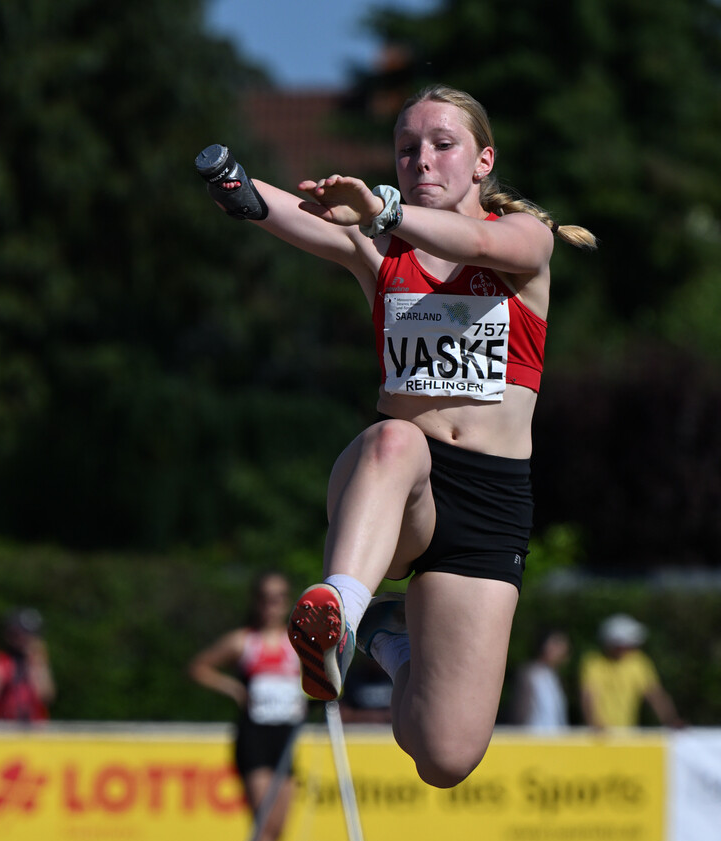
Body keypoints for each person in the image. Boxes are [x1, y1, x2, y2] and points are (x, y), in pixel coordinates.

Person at [197, 84, 595, 788]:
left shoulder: (524, 239)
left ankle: (389, 638)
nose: (423, 160)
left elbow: (478, 241)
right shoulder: (380, 248)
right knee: (397, 439)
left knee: (445, 756)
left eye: (443, 145)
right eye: (407, 149)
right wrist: (230, 180)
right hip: (396, 485)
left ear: (483, 161)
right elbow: (273, 208)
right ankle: (340, 615)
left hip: (490, 504)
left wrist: (384, 209)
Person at [187, 571, 307, 841]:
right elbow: (199, 667)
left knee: (278, 826)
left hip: (286, 737)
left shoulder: (297, 643)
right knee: (263, 820)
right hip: (254, 737)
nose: (272, 605)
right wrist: (235, 689)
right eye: (266, 598)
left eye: (279, 597)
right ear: (256, 602)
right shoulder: (243, 642)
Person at [579, 613, 685, 730]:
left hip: (628, 732)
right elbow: (588, 696)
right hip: (599, 733)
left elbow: (655, 695)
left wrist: (670, 720)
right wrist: (594, 723)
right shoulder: (594, 662)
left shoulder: (638, 662)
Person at [0, 608, 55, 723]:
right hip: (4, 727)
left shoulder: (38, 661)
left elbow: (46, 696)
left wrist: (38, 664)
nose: (24, 639)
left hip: (36, 728)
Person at [510, 628, 571, 730]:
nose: (561, 651)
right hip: (532, 736)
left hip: (555, 737)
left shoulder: (554, 677)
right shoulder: (530, 674)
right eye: (556, 644)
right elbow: (520, 711)